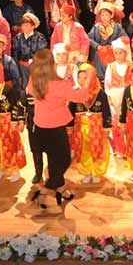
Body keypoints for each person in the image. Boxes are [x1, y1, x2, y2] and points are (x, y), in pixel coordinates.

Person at [26, 49, 92, 207]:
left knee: (53, 160)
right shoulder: (59, 85)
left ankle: (60, 188)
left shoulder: (33, 80)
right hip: (55, 129)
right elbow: (81, 97)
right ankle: (46, 189)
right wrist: (87, 81)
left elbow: (34, 92)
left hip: (39, 127)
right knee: (63, 160)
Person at [68, 64, 112, 184]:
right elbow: (71, 110)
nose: (81, 81)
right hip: (80, 128)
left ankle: (97, 172)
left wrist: (107, 127)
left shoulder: (100, 93)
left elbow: (106, 110)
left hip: (97, 128)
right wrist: (70, 126)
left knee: (98, 150)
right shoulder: (76, 93)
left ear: (92, 78)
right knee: (83, 151)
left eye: (85, 78)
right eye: (79, 78)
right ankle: (86, 171)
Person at [104, 37, 132, 158]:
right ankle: (120, 149)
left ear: (125, 53)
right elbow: (107, 85)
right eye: (116, 53)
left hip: (128, 97)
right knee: (116, 125)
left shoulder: (131, 65)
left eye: (121, 53)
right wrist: (109, 100)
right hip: (115, 98)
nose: (118, 55)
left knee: (129, 124)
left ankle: (131, 148)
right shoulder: (110, 67)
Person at [89, 2, 128, 81]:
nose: (104, 17)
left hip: (112, 51)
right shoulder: (96, 27)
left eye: (106, 15)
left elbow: (125, 38)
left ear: (111, 15)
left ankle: (112, 77)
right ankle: (101, 78)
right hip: (100, 51)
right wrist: (97, 46)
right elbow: (89, 39)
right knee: (98, 55)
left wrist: (114, 45)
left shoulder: (117, 27)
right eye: (102, 15)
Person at [12, 12, 47, 88]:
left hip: (36, 65)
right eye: (22, 25)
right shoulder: (17, 38)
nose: (23, 27)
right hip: (22, 67)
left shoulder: (39, 37)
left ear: (33, 26)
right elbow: (15, 54)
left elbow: (42, 53)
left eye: (26, 25)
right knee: (24, 85)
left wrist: (33, 61)